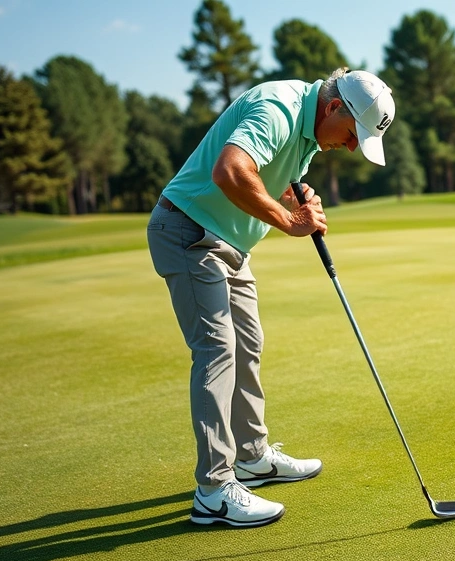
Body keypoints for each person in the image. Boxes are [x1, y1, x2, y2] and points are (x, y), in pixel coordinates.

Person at [147, 67, 395, 527]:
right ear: (335, 106)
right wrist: (289, 221)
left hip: (231, 244)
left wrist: (295, 194)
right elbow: (230, 170)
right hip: (189, 232)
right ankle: (214, 490)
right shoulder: (279, 108)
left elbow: (269, 173)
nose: (353, 146)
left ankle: (252, 458)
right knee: (218, 352)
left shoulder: (309, 131)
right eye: (353, 134)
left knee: (249, 345)